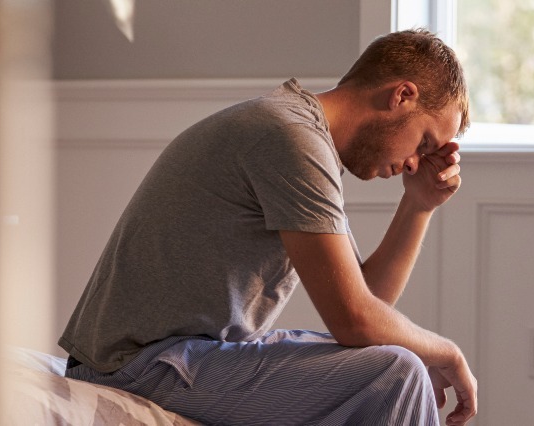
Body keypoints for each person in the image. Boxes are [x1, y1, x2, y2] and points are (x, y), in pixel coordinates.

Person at [59, 29, 478, 426]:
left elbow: (369, 303)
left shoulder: (302, 135)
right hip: (134, 363)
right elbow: (354, 320)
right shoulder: (291, 139)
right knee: (398, 372)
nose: (414, 163)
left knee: (389, 363)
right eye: (423, 143)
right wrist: (449, 353)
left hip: (187, 354)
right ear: (402, 96)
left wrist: (418, 205)